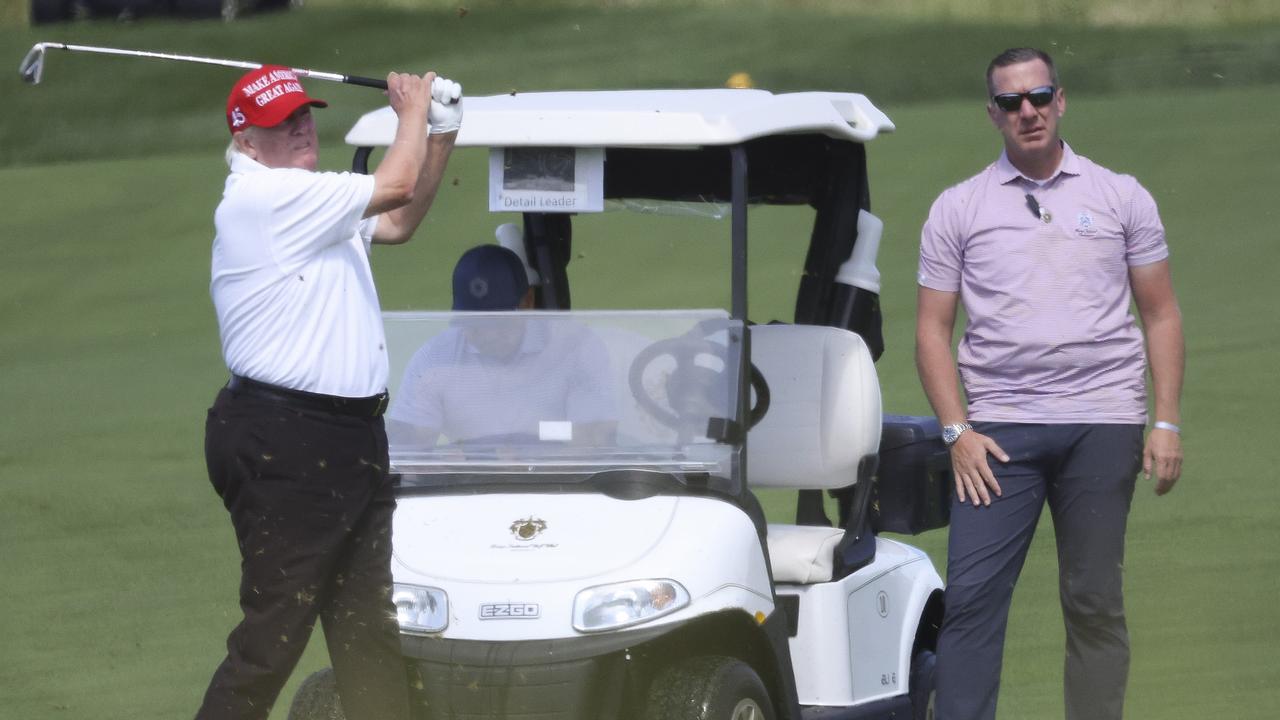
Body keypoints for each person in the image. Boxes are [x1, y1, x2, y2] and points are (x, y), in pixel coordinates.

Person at [914, 47, 1184, 720]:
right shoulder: (959, 208)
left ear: (1060, 101)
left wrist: (1167, 420)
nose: (1027, 112)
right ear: (993, 115)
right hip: (998, 431)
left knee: (1093, 597)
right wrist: (956, 431)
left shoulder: (1120, 196)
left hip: (1104, 421)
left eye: (1039, 97)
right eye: (1011, 103)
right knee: (972, 599)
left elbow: (1160, 312)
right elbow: (930, 331)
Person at [198, 63, 461, 720]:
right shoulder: (267, 201)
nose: (299, 127)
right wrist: (411, 110)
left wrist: (442, 131)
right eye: (279, 124)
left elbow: (397, 221)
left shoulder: (309, 196)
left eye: (303, 114)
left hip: (345, 442)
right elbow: (394, 182)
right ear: (247, 143)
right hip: (288, 441)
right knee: (272, 641)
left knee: (367, 633)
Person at [386, 244, 616, 449]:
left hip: (560, 485)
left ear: (527, 301)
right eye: (473, 324)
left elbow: (595, 436)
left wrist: (535, 435)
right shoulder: (434, 358)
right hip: (468, 487)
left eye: (497, 321)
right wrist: (445, 457)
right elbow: (407, 445)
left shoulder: (577, 346)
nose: (487, 335)